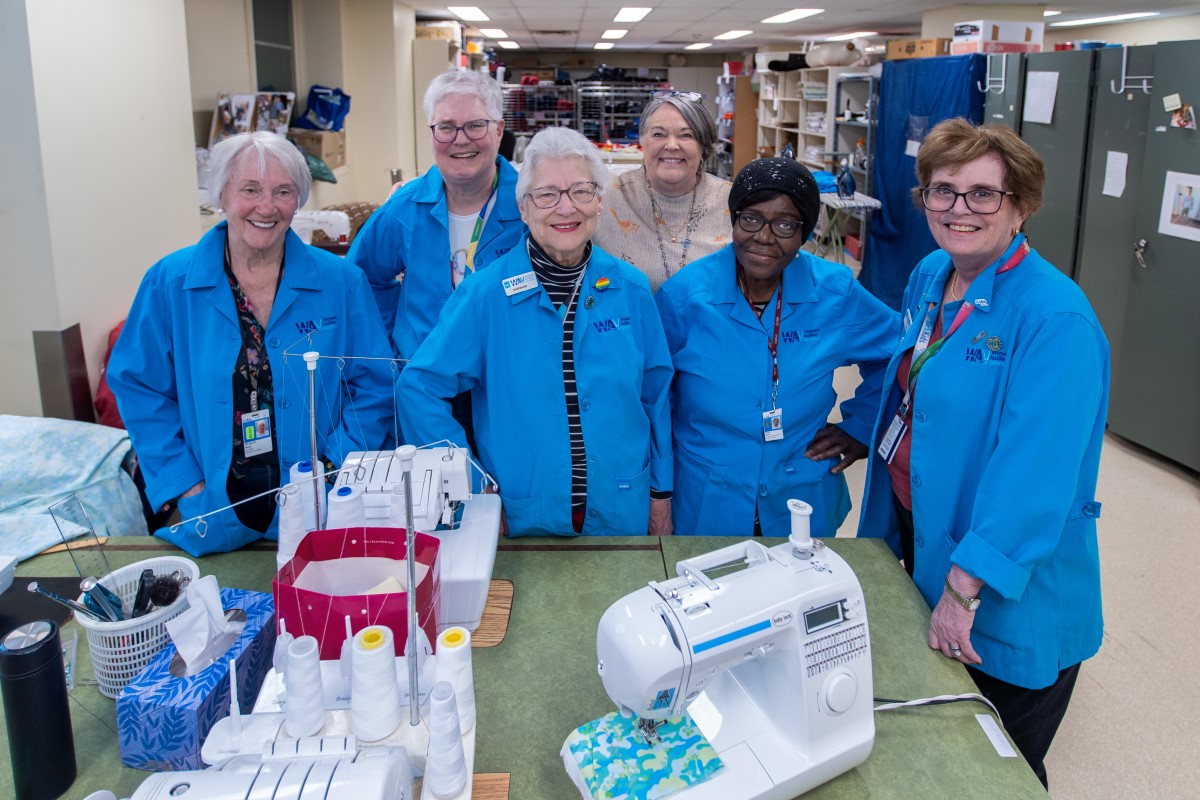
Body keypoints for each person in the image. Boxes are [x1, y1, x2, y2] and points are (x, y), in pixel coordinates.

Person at [857, 119, 1109, 788]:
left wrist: (963, 591)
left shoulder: (1054, 317)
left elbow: (1036, 477)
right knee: (938, 742)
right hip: (924, 535)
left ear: (1020, 205)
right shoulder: (931, 274)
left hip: (1002, 581)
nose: (957, 209)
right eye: (942, 191)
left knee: (996, 770)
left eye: (981, 194)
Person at [108, 132, 395, 556]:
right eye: (250, 190)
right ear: (221, 194)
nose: (267, 206)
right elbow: (138, 385)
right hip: (214, 512)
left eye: (283, 191)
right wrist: (183, 483)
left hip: (323, 507)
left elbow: (373, 384)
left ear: (297, 200)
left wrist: (336, 467)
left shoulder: (340, 281)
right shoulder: (170, 282)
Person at [398, 127, 673, 538]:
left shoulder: (630, 289)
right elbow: (418, 389)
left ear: (599, 202)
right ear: (524, 209)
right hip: (522, 513)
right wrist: (472, 484)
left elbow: (656, 396)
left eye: (581, 191)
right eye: (547, 195)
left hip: (622, 505)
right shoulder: (485, 295)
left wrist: (661, 492)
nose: (566, 208)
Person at [655, 157, 897, 538]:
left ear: (804, 234)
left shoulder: (835, 292)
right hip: (707, 497)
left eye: (785, 224)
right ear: (732, 220)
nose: (764, 237)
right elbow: (654, 400)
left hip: (801, 495)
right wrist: (658, 492)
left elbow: (897, 352)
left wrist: (862, 426)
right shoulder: (685, 298)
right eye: (750, 218)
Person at [347, 70, 525, 362]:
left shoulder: (530, 207)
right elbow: (360, 281)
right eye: (446, 127)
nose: (460, 139)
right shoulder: (403, 209)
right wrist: (398, 340)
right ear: (431, 131)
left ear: (499, 130)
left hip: (505, 383)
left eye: (475, 125)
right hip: (424, 386)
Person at [594, 91, 731, 292]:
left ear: (703, 145)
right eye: (659, 134)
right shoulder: (604, 198)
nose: (672, 145)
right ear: (642, 140)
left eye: (686, 135)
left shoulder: (733, 201)